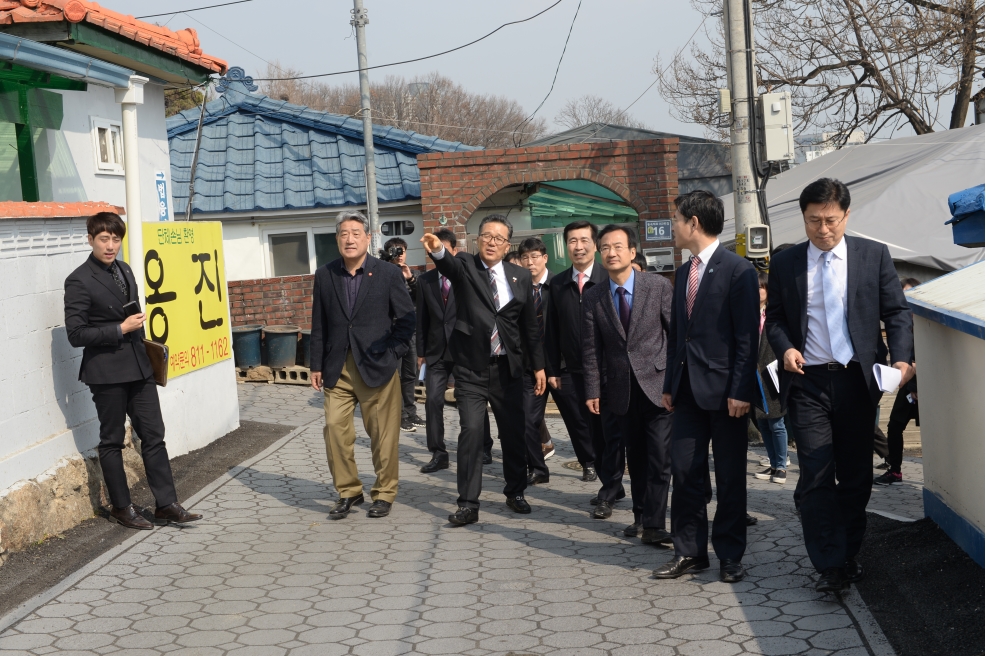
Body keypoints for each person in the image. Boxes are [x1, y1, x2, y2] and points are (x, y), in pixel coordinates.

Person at [765, 178, 913, 592]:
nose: (823, 229)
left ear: (847, 215)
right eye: (813, 221)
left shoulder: (872, 256)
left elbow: (897, 313)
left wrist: (901, 359)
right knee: (814, 472)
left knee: (854, 475)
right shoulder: (787, 262)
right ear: (804, 218)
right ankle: (828, 564)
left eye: (831, 220)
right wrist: (785, 348)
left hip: (856, 380)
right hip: (807, 380)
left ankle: (848, 552)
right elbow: (774, 318)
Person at [64, 212, 201, 530]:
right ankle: (122, 508)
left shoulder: (124, 270)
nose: (110, 245)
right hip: (106, 373)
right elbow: (76, 334)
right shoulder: (79, 280)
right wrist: (120, 328)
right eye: (103, 239)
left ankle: (166, 504)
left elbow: (134, 315)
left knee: (154, 436)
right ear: (90, 239)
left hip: (139, 368)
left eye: (115, 238)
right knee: (112, 440)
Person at [657, 190, 760, 583]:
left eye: (676, 219)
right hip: (685, 393)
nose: (673, 227)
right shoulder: (684, 272)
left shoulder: (739, 270)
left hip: (726, 395)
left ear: (693, 223)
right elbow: (679, 336)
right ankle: (690, 552)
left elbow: (746, 338)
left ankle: (730, 555)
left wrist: (741, 390)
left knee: (730, 476)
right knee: (685, 473)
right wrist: (669, 383)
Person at [421, 215, 546, 526]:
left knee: (513, 433)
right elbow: (447, 266)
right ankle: (468, 503)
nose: (492, 242)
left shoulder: (519, 276)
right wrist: (438, 251)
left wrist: (540, 366)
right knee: (472, 432)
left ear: (507, 246)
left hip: (508, 370)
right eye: (487, 236)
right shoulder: (464, 266)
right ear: (477, 240)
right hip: (471, 369)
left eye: (499, 238)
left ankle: (515, 491)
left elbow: (530, 328)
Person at [310, 211, 415, 520]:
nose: (350, 238)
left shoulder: (387, 273)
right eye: (344, 233)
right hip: (337, 367)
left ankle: (384, 493)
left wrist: (394, 352)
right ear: (337, 239)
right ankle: (349, 491)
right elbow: (319, 325)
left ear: (368, 238)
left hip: (377, 366)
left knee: (383, 435)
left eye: (356, 233)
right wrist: (315, 364)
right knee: (334, 430)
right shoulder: (325, 274)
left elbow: (407, 320)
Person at [583, 224, 675, 547]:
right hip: (621, 390)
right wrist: (593, 390)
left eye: (618, 246)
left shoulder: (658, 286)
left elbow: (675, 335)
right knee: (634, 456)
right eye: (605, 247)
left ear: (632, 252)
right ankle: (640, 516)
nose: (611, 252)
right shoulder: (593, 295)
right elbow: (592, 348)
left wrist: (676, 382)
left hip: (659, 384)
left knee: (660, 456)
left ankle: (654, 523)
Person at [546, 221, 619, 503]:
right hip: (573, 370)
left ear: (595, 244)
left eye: (585, 240)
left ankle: (610, 487)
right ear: (566, 246)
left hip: (607, 371)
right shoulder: (558, 283)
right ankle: (609, 484)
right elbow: (551, 330)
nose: (579, 247)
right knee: (587, 430)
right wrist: (552, 369)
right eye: (573, 241)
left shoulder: (608, 277)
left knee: (608, 431)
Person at [415, 229, 493, 473]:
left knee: (472, 399)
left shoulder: (466, 277)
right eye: (433, 252)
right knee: (433, 401)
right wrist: (421, 353)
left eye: (443, 250)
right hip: (437, 350)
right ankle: (438, 453)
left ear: (454, 251)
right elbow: (422, 319)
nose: (438, 256)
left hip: (465, 349)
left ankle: (483, 447)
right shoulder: (425, 281)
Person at [874, 278, 921, 486]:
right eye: (904, 296)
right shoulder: (902, 325)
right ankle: (895, 470)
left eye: (912, 294)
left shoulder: (926, 322)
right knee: (894, 427)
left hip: (925, 386)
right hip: (909, 387)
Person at [517, 238, 555, 484]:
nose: (530, 262)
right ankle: (538, 468)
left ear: (545, 258)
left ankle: (590, 462)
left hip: (560, 365)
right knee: (529, 420)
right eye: (525, 258)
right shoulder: (517, 288)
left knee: (582, 422)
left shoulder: (560, 285)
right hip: (530, 365)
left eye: (534, 256)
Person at [381, 237, 425, 433]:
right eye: (395, 251)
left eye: (402, 251)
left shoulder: (413, 274)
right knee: (396, 375)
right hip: (392, 333)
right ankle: (399, 415)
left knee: (410, 375)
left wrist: (410, 279)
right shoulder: (382, 273)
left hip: (411, 333)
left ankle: (410, 411)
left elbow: (423, 299)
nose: (399, 255)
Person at [752, 270, 789, 485]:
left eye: (761, 287)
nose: (757, 291)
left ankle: (782, 466)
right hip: (753, 373)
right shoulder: (747, 313)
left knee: (776, 422)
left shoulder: (774, 313)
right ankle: (774, 464)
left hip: (773, 372)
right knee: (763, 423)